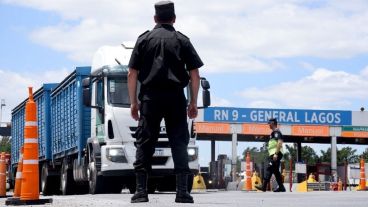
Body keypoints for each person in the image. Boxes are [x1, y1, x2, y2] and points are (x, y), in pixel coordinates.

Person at [127, 0, 203, 203]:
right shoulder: (182, 40)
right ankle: (182, 192)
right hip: (175, 98)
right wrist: (193, 102)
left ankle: (141, 191)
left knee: (145, 143)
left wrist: (134, 103)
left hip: (150, 98)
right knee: (179, 143)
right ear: (174, 19)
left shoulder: (144, 39)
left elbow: (131, 74)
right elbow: (194, 74)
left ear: (155, 19)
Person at [256, 118, 286, 192]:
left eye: (269, 123)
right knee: (276, 171)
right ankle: (281, 187)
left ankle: (263, 187)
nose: (268, 125)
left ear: (272, 123)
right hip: (274, 153)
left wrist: (276, 154)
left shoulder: (276, 132)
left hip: (275, 154)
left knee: (269, 168)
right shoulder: (273, 132)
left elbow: (279, 142)